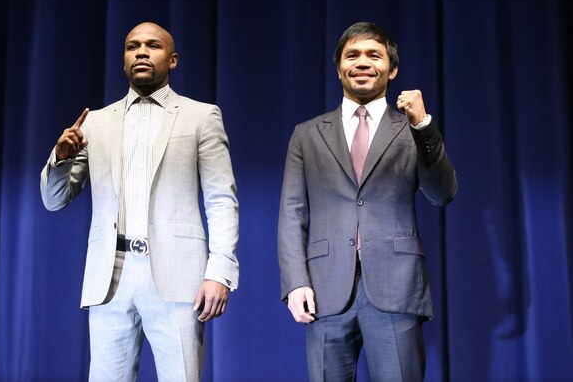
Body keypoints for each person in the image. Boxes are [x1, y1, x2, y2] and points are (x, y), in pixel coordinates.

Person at [40, 22, 239, 381]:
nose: (142, 52)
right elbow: (55, 200)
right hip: (109, 276)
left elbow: (222, 198)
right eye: (133, 47)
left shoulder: (201, 116)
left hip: (178, 277)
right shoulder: (96, 123)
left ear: (173, 59)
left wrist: (219, 271)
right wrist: (61, 158)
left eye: (153, 46)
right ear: (124, 61)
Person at [278, 22, 458, 381]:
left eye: (373, 55)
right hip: (326, 289)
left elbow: (442, 193)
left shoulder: (411, 128)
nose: (362, 62)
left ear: (391, 70)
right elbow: (291, 212)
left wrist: (423, 125)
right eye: (352, 55)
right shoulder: (307, 133)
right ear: (339, 68)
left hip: (396, 286)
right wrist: (295, 281)